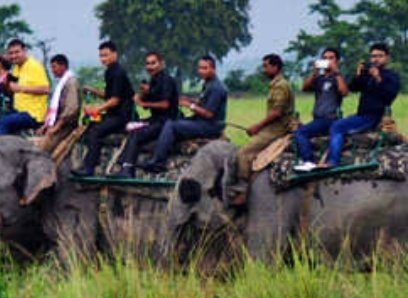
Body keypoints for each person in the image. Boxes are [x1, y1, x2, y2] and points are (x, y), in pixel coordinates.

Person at [311, 43, 401, 170]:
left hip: (373, 116)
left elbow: (389, 94)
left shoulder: (391, 76)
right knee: (339, 124)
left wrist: (378, 77)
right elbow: (353, 88)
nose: (375, 59)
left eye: (379, 56)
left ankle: (333, 161)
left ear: (387, 58)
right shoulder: (368, 74)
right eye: (373, 56)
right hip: (362, 114)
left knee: (337, 126)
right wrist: (359, 75)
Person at [140, 55, 228, 173]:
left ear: (213, 69)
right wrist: (188, 100)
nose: (201, 71)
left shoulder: (216, 88)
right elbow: (203, 103)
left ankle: (158, 162)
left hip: (209, 125)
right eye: (200, 68)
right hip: (201, 121)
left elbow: (209, 114)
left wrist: (189, 105)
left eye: (205, 68)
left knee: (171, 125)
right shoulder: (208, 84)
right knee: (178, 119)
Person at [229, 53, 294, 205]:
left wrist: (258, 126)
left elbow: (277, 112)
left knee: (244, 153)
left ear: (275, 67)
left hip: (277, 129)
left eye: (266, 66)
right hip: (273, 127)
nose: (263, 70)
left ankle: (243, 191)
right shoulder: (276, 85)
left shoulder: (280, 86)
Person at [117, 51, 179, 176]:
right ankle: (123, 163)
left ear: (161, 64)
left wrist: (144, 103)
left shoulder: (166, 80)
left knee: (137, 135)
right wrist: (144, 94)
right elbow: (147, 101)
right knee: (131, 129)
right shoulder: (153, 81)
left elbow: (165, 104)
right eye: (148, 64)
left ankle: (128, 169)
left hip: (165, 121)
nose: (150, 67)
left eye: (153, 63)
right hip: (155, 119)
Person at [78, 41, 134, 177]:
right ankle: (87, 163)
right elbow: (109, 95)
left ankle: (90, 168)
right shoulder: (110, 72)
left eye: (106, 55)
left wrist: (96, 109)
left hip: (121, 116)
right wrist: (93, 90)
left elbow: (115, 100)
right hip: (113, 114)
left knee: (96, 131)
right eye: (101, 56)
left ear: (115, 54)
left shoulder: (118, 73)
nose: (103, 59)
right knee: (90, 126)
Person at [290, 48, 349, 172]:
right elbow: (304, 88)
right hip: (318, 119)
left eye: (331, 58)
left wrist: (336, 72)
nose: (327, 60)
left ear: (338, 61)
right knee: (300, 132)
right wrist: (314, 73)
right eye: (325, 58)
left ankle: (308, 161)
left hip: (330, 118)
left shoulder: (338, 77)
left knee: (300, 133)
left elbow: (344, 92)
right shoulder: (319, 78)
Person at [0, 39, 51, 139]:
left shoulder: (34, 66)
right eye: (11, 53)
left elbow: (46, 89)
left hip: (33, 114)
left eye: (17, 52)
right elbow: (12, 89)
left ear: (24, 51)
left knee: (4, 122)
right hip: (19, 111)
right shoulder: (17, 68)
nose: (14, 56)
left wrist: (21, 88)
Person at [33, 54, 81, 155]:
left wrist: (57, 127)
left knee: (40, 151)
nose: (52, 70)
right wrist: (46, 126)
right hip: (58, 123)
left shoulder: (71, 83)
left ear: (63, 66)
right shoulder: (61, 83)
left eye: (54, 67)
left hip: (66, 126)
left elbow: (72, 108)